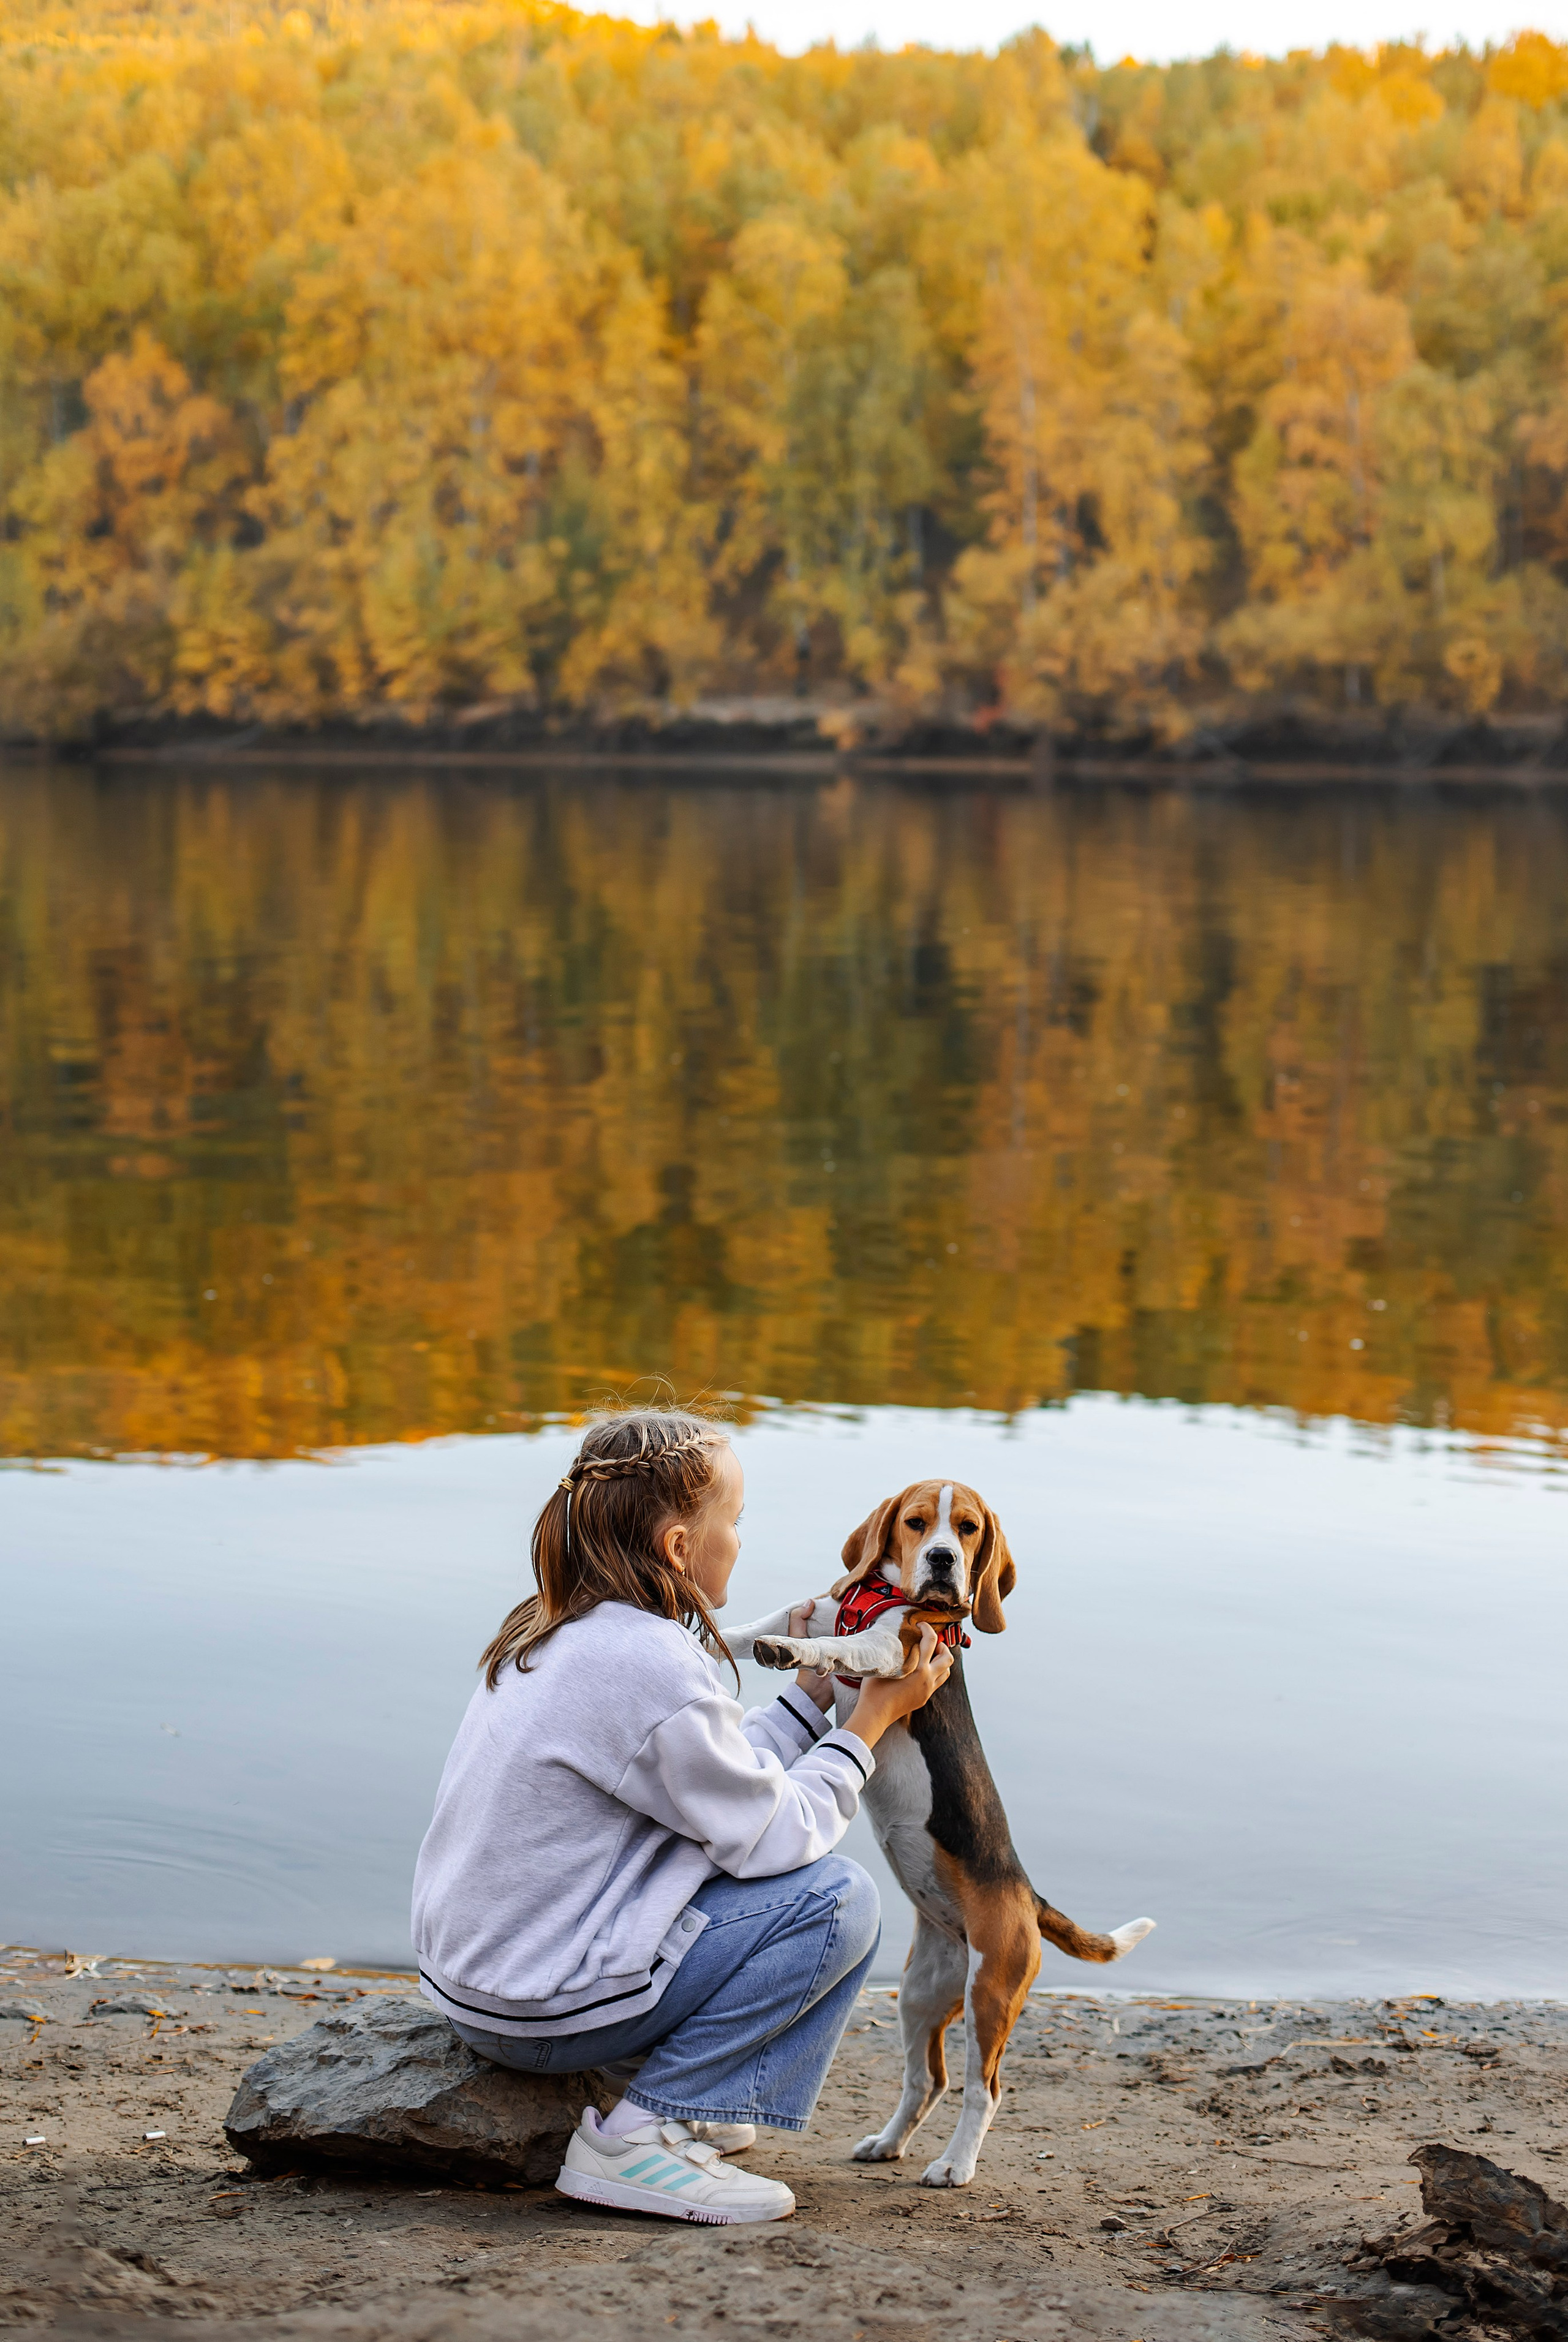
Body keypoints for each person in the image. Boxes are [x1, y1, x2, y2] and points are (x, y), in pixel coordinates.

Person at [411, 1407, 951, 2226]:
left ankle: (695, 2099)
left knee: (771, 1876)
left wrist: (809, 1704)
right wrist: (868, 1723)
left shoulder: (561, 1623)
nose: (740, 1538)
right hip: (540, 2007)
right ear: (677, 1547)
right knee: (836, 1900)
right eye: (733, 1522)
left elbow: (713, 1784)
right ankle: (637, 2140)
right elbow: (774, 1836)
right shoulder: (652, 1664)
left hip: (485, 1980)